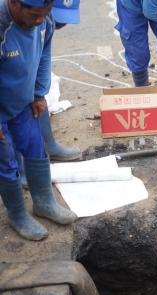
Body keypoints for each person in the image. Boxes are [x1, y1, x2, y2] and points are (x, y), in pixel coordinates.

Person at [0, 0, 78, 241]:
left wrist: (38, 93)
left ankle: (44, 202)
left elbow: (44, 53)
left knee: (36, 147)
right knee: (6, 161)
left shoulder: (45, 20)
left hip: (22, 102)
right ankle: (17, 214)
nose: (39, 20)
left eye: (45, 14)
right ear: (14, 2)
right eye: (34, 14)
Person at [15, 0, 82, 187]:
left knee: (38, 97)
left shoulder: (46, 21)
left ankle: (49, 145)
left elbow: (43, 57)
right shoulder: (14, 22)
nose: (63, 24)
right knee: (14, 110)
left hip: (26, 66)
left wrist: (39, 93)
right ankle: (17, 167)